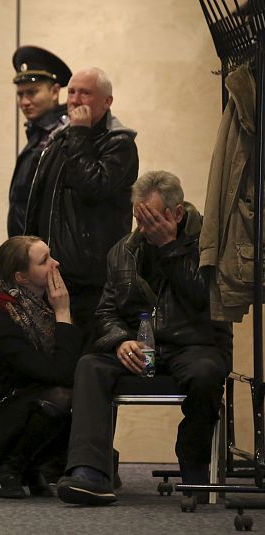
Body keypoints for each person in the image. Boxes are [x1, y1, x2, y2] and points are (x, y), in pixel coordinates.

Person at [56, 170, 232, 506]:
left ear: (176, 214)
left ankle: (193, 462)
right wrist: (120, 340)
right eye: (139, 219)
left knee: (206, 374)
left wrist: (169, 247)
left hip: (196, 344)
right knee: (90, 366)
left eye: (151, 219)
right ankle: (89, 471)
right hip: (143, 346)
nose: (143, 229)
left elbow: (204, 299)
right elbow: (105, 313)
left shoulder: (210, 243)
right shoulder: (123, 251)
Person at [0, 236, 81, 499]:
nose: (56, 264)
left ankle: (28, 466)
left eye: (51, 255)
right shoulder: (4, 320)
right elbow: (60, 374)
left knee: (83, 390)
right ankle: (9, 470)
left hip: (16, 407)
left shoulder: (42, 311)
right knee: (60, 396)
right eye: (45, 261)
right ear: (22, 278)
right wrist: (63, 313)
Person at [24, 67, 139, 348]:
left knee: (82, 356)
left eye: (84, 93)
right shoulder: (60, 139)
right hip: (52, 272)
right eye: (71, 92)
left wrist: (79, 135)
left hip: (90, 279)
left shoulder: (119, 144)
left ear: (106, 102)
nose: (74, 100)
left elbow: (92, 187)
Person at [7, 46, 70, 238]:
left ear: (54, 91)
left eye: (32, 92)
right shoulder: (38, 133)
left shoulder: (62, 135)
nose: (24, 102)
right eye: (20, 94)